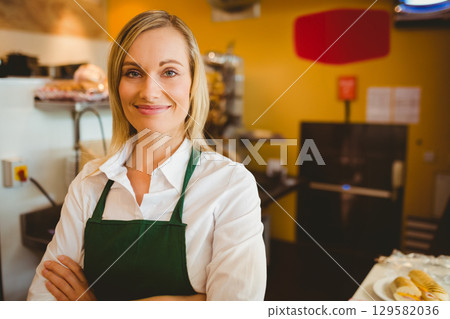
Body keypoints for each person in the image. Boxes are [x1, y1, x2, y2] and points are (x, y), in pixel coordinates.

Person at [27, 10, 266, 301]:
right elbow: (42, 299)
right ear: (118, 86)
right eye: (133, 72)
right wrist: (194, 302)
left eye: (169, 72)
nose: (150, 92)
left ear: (192, 85)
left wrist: (95, 307)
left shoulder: (231, 185)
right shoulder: (89, 182)